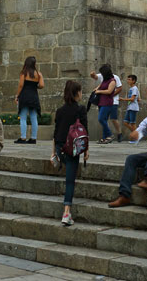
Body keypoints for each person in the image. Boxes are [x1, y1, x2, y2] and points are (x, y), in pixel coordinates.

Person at [52, 80, 89, 226]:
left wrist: (53, 152)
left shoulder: (60, 110)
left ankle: (67, 211)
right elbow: (85, 131)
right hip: (73, 149)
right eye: (80, 91)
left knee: (68, 177)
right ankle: (66, 212)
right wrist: (86, 150)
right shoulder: (80, 109)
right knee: (70, 181)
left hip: (60, 148)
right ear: (76, 93)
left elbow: (55, 133)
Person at [14, 56, 44, 144]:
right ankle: (33, 138)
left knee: (23, 117)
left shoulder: (24, 73)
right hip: (34, 96)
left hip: (24, 96)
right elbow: (42, 85)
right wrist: (34, 86)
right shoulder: (38, 74)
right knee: (34, 117)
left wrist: (17, 96)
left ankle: (23, 138)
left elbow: (21, 85)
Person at [92, 69, 123, 141]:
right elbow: (95, 77)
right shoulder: (103, 79)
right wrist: (92, 74)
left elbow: (118, 88)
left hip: (113, 102)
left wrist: (111, 95)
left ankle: (118, 133)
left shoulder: (114, 78)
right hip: (103, 102)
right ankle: (105, 137)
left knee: (113, 118)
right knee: (103, 119)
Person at [121, 74, 140, 142]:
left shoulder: (134, 88)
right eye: (127, 79)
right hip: (130, 107)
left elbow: (132, 99)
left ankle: (136, 137)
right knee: (126, 123)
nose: (128, 81)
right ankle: (136, 133)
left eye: (129, 79)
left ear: (133, 81)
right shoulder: (132, 89)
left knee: (132, 123)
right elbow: (138, 99)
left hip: (133, 108)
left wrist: (123, 99)